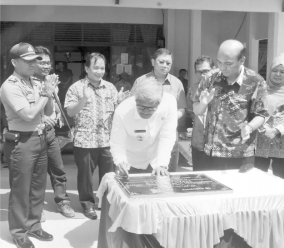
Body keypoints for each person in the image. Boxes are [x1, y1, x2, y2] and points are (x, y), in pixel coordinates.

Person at [0, 42, 58, 248]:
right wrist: (45, 93)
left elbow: (48, 111)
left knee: (37, 187)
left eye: (35, 60)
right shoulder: (9, 86)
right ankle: (18, 231)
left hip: (39, 138)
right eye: (28, 61)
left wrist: (49, 91)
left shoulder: (35, 82)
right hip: (21, 141)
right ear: (15, 62)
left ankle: (34, 225)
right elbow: (29, 114)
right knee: (21, 189)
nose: (34, 64)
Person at [65, 53, 128, 220]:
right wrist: (83, 100)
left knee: (109, 175)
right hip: (85, 140)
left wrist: (120, 102)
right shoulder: (76, 88)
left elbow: (117, 113)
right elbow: (70, 112)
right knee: (85, 176)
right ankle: (87, 204)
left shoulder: (110, 87)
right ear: (87, 69)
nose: (99, 71)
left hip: (107, 139)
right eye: (96, 67)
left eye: (102, 68)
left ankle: (105, 203)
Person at [193, 39, 269, 170]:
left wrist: (250, 127)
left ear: (242, 61)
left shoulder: (255, 81)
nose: (222, 67)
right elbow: (197, 110)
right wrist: (203, 104)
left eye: (228, 63)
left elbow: (261, 114)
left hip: (242, 151)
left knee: (241, 189)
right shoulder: (209, 78)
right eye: (219, 62)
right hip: (213, 152)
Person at [33, 46, 75, 218]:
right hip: (33, 134)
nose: (45, 65)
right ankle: (35, 207)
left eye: (48, 62)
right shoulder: (27, 83)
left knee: (58, 169)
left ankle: (62, 201)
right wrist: (41, 119)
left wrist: (57, 114)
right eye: (40, 61)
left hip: (50, 133)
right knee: (37, 173)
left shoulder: (51, 81)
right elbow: (24, 111)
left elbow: (53, 107)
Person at [131, 48, 186, 172]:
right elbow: (133, 107)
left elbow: (182, 109)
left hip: (169, 136)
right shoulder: (141, 81)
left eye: (168, 63)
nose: (165, 65)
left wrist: (167, 119)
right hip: (145, 135)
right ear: (153, 62)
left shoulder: (177, 83)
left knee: (167, 175)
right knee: (143, 176)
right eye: (161, 62)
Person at [110, 78, 177, 177]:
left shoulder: (169, 103)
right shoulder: (123, 110)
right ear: (135, 100)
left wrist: (161, 164)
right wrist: (120, 161)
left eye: (150, 108)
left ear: (159, 103)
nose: (145, 111)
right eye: (141, 107)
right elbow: (117, 142)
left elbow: (167, 137)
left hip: (158, 155)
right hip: (131, 160)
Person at [255, 53, 284, 181]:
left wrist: (276, 130)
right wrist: (263, 129)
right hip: (261, 141)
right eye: (275, 70)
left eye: (282, 71)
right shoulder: (261, 88)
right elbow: (254, 111)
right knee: (258, 181)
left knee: (282, 182)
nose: (278, 74)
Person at [189, 56, 214, 171]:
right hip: (198, 141)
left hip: (217, 143)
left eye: (205, 71)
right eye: (198, 72)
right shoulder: (193, 89)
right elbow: (192, 111)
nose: (202, 75)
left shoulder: (223, 87)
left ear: (213, 69)